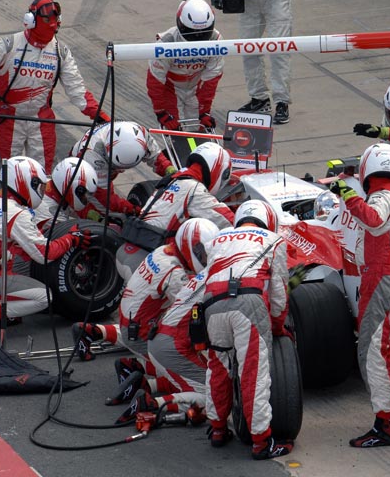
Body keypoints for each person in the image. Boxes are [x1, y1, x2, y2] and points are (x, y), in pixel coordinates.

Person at [330, 143, 390, 448]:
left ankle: (384, 423)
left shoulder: (381, 197)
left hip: (381, 281)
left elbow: (373, 219)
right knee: (383, 347)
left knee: (369, 352)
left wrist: (347, 194)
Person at [203, 199, 294, 459]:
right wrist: (277, 326)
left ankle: (218, 429)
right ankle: (261, 442)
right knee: (253, 372)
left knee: (218, 367)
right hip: (248, 302)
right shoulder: (274, 240)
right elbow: (279, 293)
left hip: (211, 303)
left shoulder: (217, 240)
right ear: (268, 220)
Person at [113, 218, 221, 424]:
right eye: (201, 253)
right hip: (143, 333)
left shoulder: (164, 251)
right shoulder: (176, 274)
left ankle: (144, 381)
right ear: (188, 245)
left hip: (134, 322)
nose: (204, 258)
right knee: (212, 388)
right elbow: (188, 310)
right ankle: (152, 403)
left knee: (186, 372)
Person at [0, 0, 109, 176]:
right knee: (4, 176)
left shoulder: (61, 52)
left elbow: (77, 90)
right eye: (46, 19)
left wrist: (100, 115)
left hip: (42, 121)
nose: (52, 24)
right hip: (7, 118)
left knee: (44, 177)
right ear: (30, 20)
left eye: (55, 20)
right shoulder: (9, 44)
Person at [0, 156, 92, 342]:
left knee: (8, 258)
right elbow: (45, 254)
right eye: (39, 186)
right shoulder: (16, 214)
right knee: (44, 297)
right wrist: (71, 238)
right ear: (25, 182)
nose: (41, 192)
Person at [114, 141, 234, 281]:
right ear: (217, 169)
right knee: (195, 291)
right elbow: (227, 220)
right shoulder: (195, 190)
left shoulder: (172, 180)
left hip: (126, 251)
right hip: (147, 261)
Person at [69, 120, 176, 219]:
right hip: (81, 167)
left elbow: (156, 157)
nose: (122, 170)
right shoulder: (92, 156)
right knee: (104, 212)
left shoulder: (140, 134)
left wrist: (171, 171)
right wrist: (132, 209)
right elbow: (105, 198)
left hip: (106, 162)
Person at [147, 0, 224, 132]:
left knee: (200, 131)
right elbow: (155, 80)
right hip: (171, 90)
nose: (198, 37)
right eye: (192, 32)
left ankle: (195, 144)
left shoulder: (216, 40)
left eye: (203, 32)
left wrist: (204, 111)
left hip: (196, 88)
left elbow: (211, 79)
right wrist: (160, 111)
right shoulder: (166, 43)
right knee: (176, 133)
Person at [236, 0, 293, 125]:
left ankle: (282, 102)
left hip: (276, 0)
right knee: (248, 48)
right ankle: (259, 98)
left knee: (279, 50)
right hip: (248, 1)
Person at [32, 157, 98, 229]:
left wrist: (88, 213)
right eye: (83, 194)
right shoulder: (52, 215)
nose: (85, 198)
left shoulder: (47, 183)